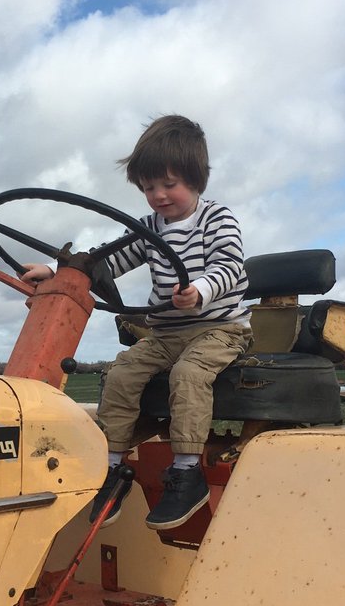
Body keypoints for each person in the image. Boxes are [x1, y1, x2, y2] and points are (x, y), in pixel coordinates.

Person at [24, 115, 252, 530]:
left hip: (219, 328)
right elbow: (107, 262)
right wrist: (59, 274)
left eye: (169, 184)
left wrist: (200, 289)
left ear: (196, 179)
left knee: (188, 374)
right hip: (165, 332)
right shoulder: (147, 229)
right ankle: (110, 469)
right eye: (149, 188)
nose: (159, 196)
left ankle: (187, 471)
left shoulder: (216, 218)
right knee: (122, 373)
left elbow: (230, 266)